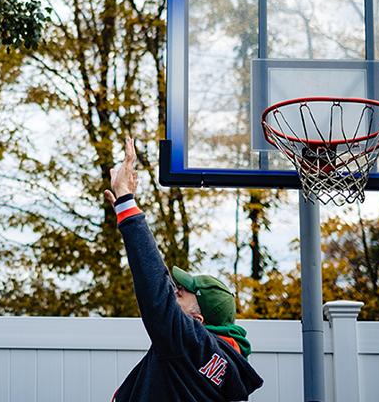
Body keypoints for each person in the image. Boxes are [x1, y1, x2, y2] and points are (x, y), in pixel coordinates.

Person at [105, 136, 263, 402]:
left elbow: (157, 291)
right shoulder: (213, 360)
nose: (173, 292)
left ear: (197, 320)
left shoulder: (192, 344)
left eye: (181, 294)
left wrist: (127, 206)